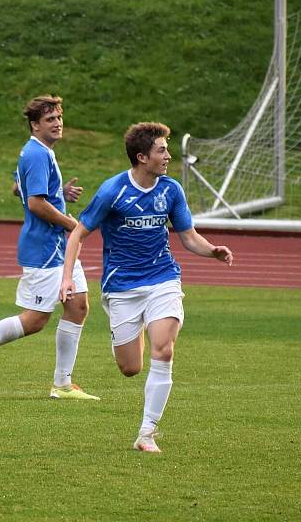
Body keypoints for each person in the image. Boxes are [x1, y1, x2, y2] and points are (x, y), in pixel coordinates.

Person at [59, 122, 233, 453]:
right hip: (122, 286)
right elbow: (78, 233)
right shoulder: (113, 191)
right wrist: (67, 277)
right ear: (142, 157)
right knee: (130, 368)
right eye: (161, 150)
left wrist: (212, 251)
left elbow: (188, 237)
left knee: (164, 349)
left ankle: (146, 432)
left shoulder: (171, 191)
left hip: (162, 279)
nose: (168, 156)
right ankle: (134, 334)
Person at [0, 95, 98, 400]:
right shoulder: (37, 154)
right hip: (44, 248)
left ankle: (63, 384)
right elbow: (35, 203)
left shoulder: (38, 152)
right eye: (50, 119)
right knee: (35, 319)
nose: (57, 123)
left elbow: (19, 188)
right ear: (35, 125)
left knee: (78, 304)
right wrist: (71, 224)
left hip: (57, 246)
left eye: (59, 117)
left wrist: (60, 192)